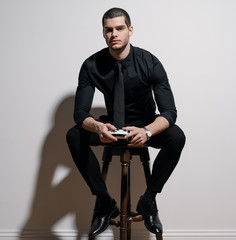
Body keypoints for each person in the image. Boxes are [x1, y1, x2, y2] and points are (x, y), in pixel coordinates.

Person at [66, 7, 185, 238]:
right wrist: (99, 126)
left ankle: (149, 200)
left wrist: (148, 131)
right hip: (112, 126)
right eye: (109, 30)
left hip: (145, 125)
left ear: (130, 30)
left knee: (177, 136)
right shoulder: (91, 65)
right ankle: (104, 201)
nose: (114, 34)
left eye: (119, 28)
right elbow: (80, 114)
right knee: (73, 135)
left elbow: (170, 112)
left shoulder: (150, 63)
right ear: (103, 33)